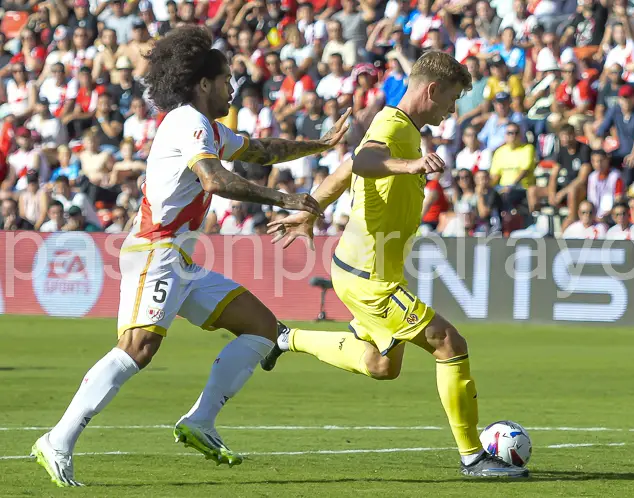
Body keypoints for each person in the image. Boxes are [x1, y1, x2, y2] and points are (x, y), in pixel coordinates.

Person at [31, 27, 351, 487]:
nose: (232, 89)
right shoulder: (188, 122)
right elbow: (215, 181)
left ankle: (200, 421)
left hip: (178, 258)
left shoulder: (209, 128)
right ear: (203, 83)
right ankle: (57, 440)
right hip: (155, 251)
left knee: (263, 329)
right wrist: (283, 199)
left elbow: (262, 149)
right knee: (137, 348)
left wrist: (319, 145)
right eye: (225, 80)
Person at [262, 51, 528, 478]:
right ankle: (474, 458)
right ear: (432, 90)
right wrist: (411, 165)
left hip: (361, 270)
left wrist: (311, 211)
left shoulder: (400, 127)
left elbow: (348, 168)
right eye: (451, 99)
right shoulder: (393, 127)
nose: (452, 110)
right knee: (449, 344)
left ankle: (286, 338)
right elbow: (365, 161)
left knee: (382, 365)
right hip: (370, 278)